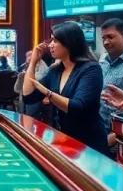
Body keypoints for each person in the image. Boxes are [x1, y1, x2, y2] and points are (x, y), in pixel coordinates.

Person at [22, 22, 107, 152]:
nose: (50, 45)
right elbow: (28, 97)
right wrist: (33, 62)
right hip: (64, 139)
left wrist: (46, 92)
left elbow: (77, 107)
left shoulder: (91, 69)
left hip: (89, 142)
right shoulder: (55, 71)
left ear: (69, 43)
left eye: (55, 41)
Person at [15, 48, 51, 118]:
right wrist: (20, 77)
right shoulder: (25, 67)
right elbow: (17, 89)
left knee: (29, 117)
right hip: (24, 98)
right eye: (27, 61)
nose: (28, 63)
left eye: (30, 60)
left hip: (37, 98)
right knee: (21, 116)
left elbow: (36, 81)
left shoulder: (43, 67)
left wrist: (26, 76)